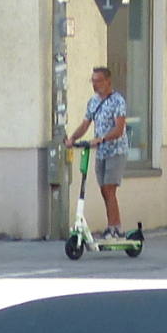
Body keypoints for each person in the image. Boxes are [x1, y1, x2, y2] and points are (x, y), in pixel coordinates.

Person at [68, 66, 127, 240]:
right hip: (101, 152)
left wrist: (101, 139)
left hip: (116, 151)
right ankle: (113, 226)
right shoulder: (93, 102)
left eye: (98, 81)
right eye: (92, 81)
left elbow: (119, 129)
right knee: (104, 190)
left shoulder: (118, 101)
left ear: (108, 81)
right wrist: (72, 139)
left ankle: (115, 228)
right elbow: (85, 124)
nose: (94, 84)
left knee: (109, 189)